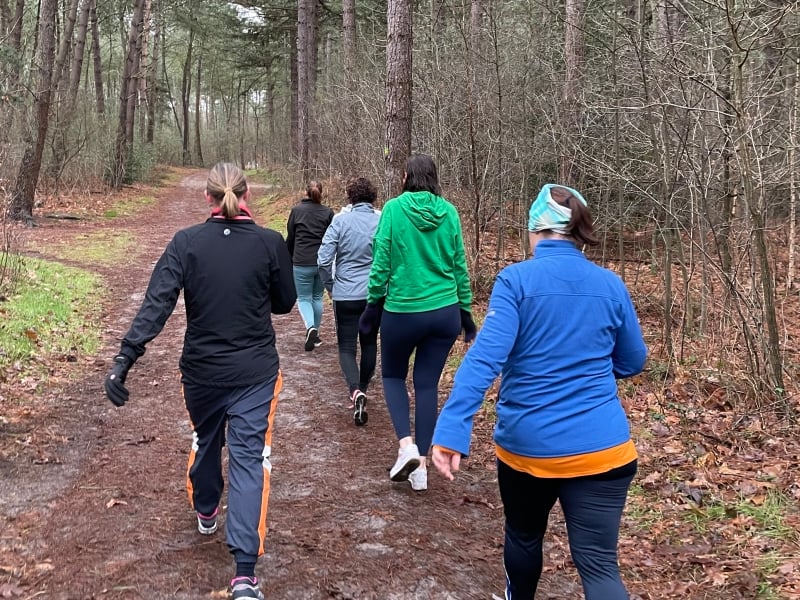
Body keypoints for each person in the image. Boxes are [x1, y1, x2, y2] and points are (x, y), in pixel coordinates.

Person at [431, 184, 648, 600]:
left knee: (525, 537)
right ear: (575, 232)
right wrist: (590, 372)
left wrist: (453, 427)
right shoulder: (610, 283)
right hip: (605, 449)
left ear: (534, 230)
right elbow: (633, 360)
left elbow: (484, 359)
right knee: (600, 566)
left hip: (530, 450)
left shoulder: (516, 281)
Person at [103, 162, 297, 600]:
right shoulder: (269, 244)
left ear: (207, 198)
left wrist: (125, 356)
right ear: (245, 196)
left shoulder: (186, 243)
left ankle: (207, 509)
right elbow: (285, 304)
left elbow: (157, 303)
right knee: (249, 458)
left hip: (202, 372)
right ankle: (244, 576)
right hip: (255, 373)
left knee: (207, 438)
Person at [359, 154, 475, 492]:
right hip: (444, 312)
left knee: (393, 375)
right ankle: (421, 467)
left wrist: (372, 305)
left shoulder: (394, 210)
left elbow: (382, 261)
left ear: (407, 176)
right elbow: (459, 267)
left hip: (404, 310)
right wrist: (465, 313)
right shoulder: (449, 212)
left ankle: (407, 447)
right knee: (426, 384)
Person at [317, 177, 381, 426]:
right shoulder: (381, 220)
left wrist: (331, 286)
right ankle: (363, 388)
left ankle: (355, 390)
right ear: (372, 197)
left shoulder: (340, 221)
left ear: (350, 197)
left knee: (346, 347)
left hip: (344, 294)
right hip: (373, 295)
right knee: (369, 344)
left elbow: (323, 259)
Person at [286, 181, 334, 351]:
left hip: (301, 262)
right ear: (321, 193)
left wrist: (288, 256)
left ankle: (310, 328)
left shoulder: (296, 211)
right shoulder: (328, 212)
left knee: (304, 298)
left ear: (305, 192)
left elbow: (291, 237)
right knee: (316, 298)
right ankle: (315, 333)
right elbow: (331, 239)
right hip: (321, 262)